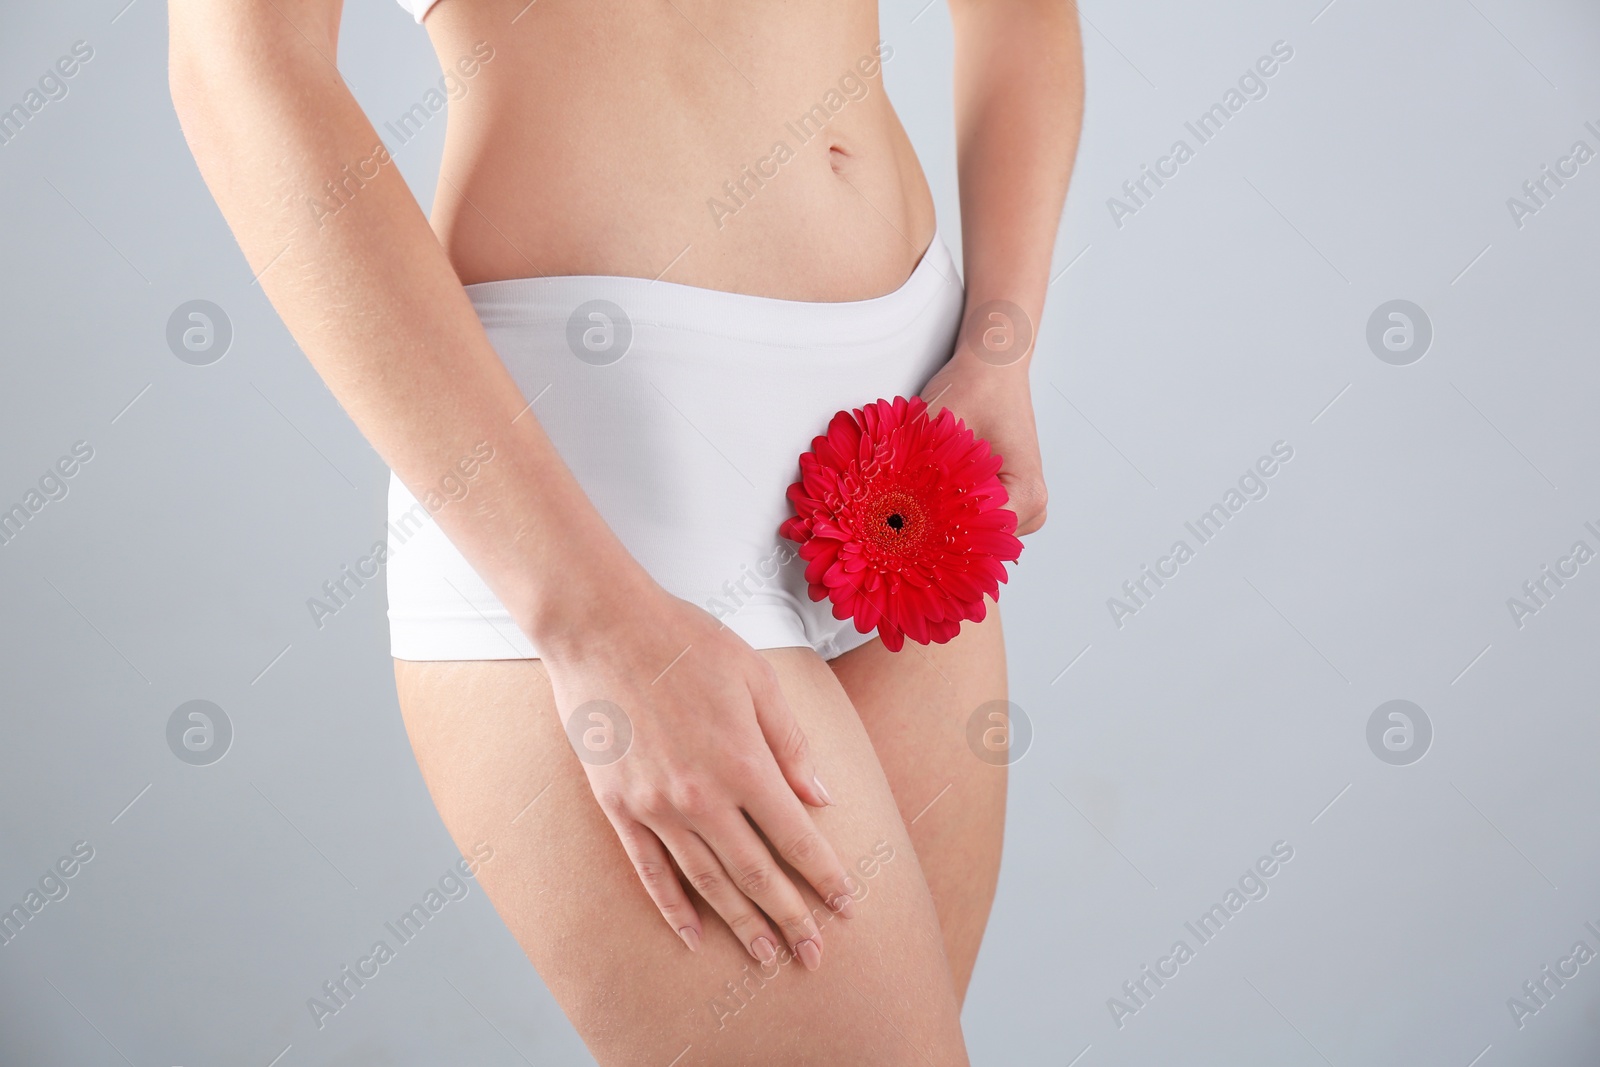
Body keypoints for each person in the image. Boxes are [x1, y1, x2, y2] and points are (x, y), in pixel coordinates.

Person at [168, 0, 1081, 1061]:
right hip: (600, 464)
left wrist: (1001, 343)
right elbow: (237, 71)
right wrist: (585, 618)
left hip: (912, 405)